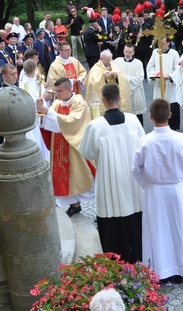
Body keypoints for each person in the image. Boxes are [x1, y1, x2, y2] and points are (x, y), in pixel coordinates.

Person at [132, 99, 183, 283]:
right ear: (170, 115)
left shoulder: (144, 142)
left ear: (150, 117)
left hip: (155, 192)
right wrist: (177, 175)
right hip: (177, 189)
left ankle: (161, 269)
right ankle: (182, 268)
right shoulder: (182, 138)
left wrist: (148, 184)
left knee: (158, 229)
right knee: (180, 227)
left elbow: (135, 169)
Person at [79, 83, 145, 263]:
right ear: (120, 98)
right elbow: (142, 146)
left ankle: (116, 264)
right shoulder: (133, 121)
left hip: (110, 183)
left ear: (103, 101)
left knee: (114, 225)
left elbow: (86, 152)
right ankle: (138, 259)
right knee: (136, 222)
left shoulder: (95, 126)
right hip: (133, 184)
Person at [37, 77, 94, 217]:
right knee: (62, 179)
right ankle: (74, 205)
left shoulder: (80, 103)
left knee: (80, 177)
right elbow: (49, 121)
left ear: (69, 89)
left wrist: (48, 112)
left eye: (60, 91)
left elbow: (72, 122)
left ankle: (99, 205)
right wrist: (42, 112)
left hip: (74, 147)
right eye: (56, 91)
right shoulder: (57, 103)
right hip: (59, 148)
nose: (57, 94)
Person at [146, 36, 181, 130]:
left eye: (163, 43)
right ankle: (159, 123)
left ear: (168, 43)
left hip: (169, 83)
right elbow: (150, 66)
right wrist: (153, 74)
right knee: (159, 103)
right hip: (158, 83)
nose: (161, 45)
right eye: (159, 43)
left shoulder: (174, 53)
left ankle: (173, 126)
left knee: (172, 102)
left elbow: (178, 68)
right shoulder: (155, 52)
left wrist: (170, 76)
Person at [84, 50, 132, 117]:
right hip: (103, 97)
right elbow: (92, 83)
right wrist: (103, 77)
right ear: (101, 59)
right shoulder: (95, 69)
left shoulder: (114, 65)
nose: (109, 62)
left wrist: (117, 76)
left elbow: (123, 78)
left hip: (114, 96)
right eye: (107, 60)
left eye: (110, 60)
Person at [114, 44, 147, 125]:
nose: (127, 54)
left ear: (133, 52)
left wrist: (123, 78)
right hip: (122, 92)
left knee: (137, 116)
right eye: (126, 52)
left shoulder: (138, 63)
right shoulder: (117, 61)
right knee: (124, 115)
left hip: (136, 92)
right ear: (123, 51)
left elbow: (139, 78)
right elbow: (114, 75)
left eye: (129, 52)